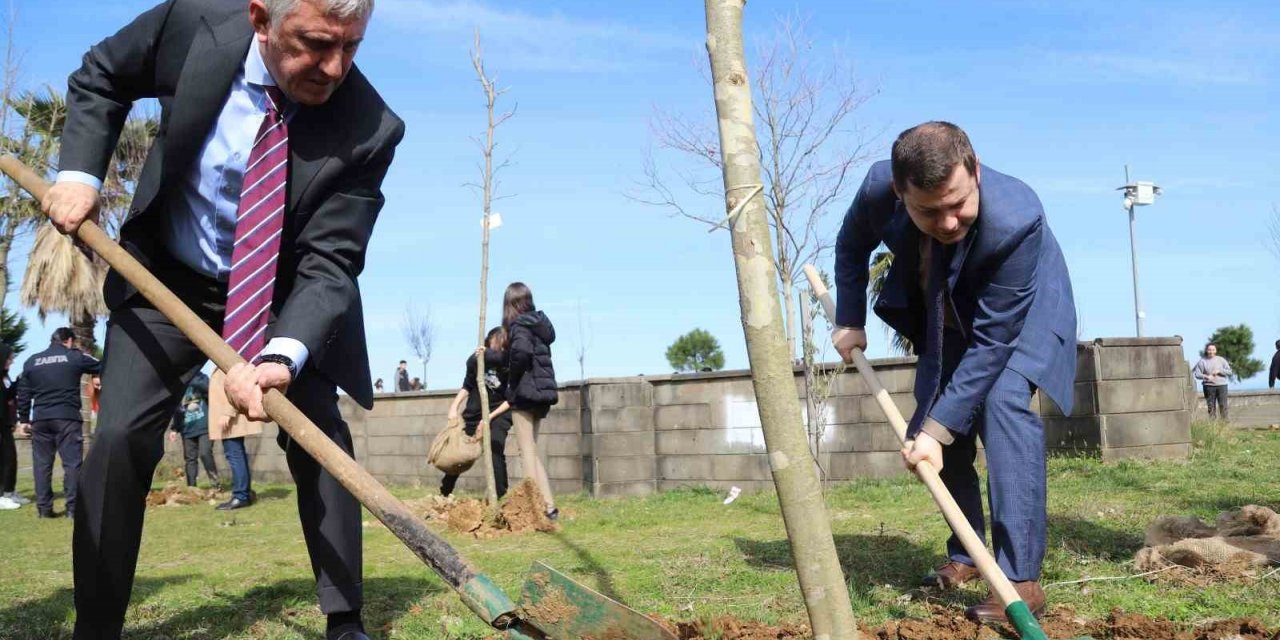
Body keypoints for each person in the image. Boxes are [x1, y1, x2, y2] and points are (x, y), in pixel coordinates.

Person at [43, 0, 403, 637]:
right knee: (120, 438)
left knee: (322, 440)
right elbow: (102, 73)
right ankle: (96, 625)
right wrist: (79, 173)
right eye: (316, 43)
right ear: (261, 19)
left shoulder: (369, 127)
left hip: (283, 293)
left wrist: (281, 355)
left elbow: (331, 263)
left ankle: (346, 621)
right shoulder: (193, 22)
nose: (335, 66)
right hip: (166, 279)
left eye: (351, 46)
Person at [832, 122, 1077, 622]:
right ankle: (967, 554)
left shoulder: (1017, 218)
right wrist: (849, 319)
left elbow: (994, 341)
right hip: (946, 308)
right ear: (901, 193)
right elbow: (850, 245)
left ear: (976, 171)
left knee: (1002, 401)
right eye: (929, 210)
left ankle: (1019, 578)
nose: (947, 222)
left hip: (1020, 315)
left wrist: (937, 432)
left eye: (958, 204)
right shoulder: (878, 190)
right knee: (937, 419)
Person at [14, 328, 103, 519]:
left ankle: (44, 510)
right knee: (72, 464)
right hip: (67, 417)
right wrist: (96, 375)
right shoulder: (74, 357)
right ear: (69, 341)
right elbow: (102, 365)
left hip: (40, 418)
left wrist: (23, 420)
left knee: (42, 465)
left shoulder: (32, 361)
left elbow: (23, 393)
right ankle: (73, 509)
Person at [502, 282, 560, 520]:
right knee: (532, 451)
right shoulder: (539, 325)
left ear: (510, 304)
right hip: (542, 393)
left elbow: (522, 353)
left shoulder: (518, 326)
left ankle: (534, 509)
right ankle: (549, 507)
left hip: (525, 393)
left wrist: (512, 382)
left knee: (525, 451)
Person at [441, 327, 513, 498]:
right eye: (494, 343)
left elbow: (511, 400)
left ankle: (499, 494)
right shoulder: (477, 361)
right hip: (474, 413)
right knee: (459, 452)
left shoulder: (509, 364)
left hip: (499, 413)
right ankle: (445, 491)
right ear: (488, 342)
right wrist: (454, 407)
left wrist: (488, 418)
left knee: (495, 446)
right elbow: (467, 385)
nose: (497, 348)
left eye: (501, 345)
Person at [167, 372, 220, 488]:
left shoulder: (201, 378)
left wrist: (192, 378)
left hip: (204, 426)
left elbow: (210, 390)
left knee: (205, 453)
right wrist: (174, 428)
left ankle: (215, 485)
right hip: (187, 428)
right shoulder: (178, 384)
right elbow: (178, 408)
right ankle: (192, 487)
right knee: (190, 459)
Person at [0, 343, 25, 510]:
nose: (12, 361)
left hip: (6, 424)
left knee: (11, 459)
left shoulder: (5, 377)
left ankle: (9, 491)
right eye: (9, 358)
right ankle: (2, 495)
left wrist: (18, 382)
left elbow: (8, 395)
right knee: (5, 459)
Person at [1192, 343, 1232, 421]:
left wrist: (1219, 371)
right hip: (1208, 387)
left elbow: (1229, 372)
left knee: (1223, 406)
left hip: (1222, 386)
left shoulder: (1221, 360)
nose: (1211, 351)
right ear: (1206, 350)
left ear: (1216, 350)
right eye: (1209, 350)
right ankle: (1213, 426)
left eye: (1213, 349)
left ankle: (1224, 425)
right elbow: (1197, 374)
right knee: (1211, 407)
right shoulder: (1202, 361)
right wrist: (1206, 376)